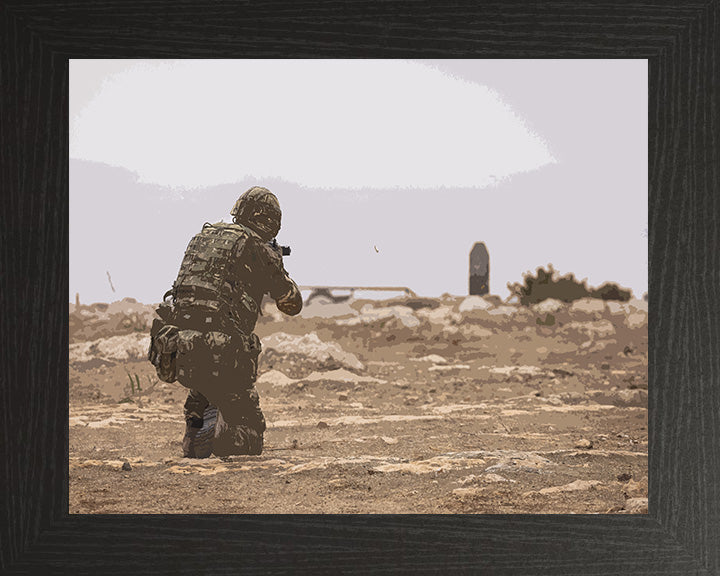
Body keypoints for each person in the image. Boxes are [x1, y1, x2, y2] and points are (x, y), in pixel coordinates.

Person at [149, 186, 302, 458]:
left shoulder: (203, 236)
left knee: (205, 385)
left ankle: (197, 428)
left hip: (180, 347)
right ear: (271, 221)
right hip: (224, 350)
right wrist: (276, 263)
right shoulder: (256, 246)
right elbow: (291, 303)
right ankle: (224, 434)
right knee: (249, 432)